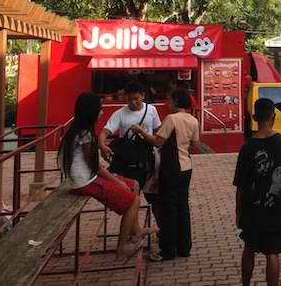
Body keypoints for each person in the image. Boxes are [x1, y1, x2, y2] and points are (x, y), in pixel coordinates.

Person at [58, 92, 156, 261]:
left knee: (135, 184)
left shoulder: (77, 130)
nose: (102, 112)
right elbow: (95, 167)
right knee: (134, 200)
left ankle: (136, 230)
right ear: (91, 112)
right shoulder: (85, 134)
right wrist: (118, 182)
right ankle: (122, 248)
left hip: (84, 178)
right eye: (100, 109)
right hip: (85, 182)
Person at [233, 98, 281, 286]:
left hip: (251, 210)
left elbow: (240, 185)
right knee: (273, 254)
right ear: (273, 116)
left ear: (255, 117)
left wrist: (238, 212)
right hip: (278, 211)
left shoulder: (246, 147)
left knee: (249, 249)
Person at [131, 88, 200, 262]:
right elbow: (194, 144)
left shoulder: (171, 119)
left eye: (169, 99)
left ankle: (167, 250)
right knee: (182, 206)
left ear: (176, 101)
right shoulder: (193, 120)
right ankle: (184, 247)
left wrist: (140, 131)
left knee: (168, 208)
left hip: (170, 167)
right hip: (186, 166)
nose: (166, 103)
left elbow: (157, 141)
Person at [98, 81, 162, 188]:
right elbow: (105, 132)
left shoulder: (151, 110)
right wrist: (102, 145)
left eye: (136, 98)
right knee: (132, 187)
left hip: (148, 154)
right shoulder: (120, 113)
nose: (133, 102)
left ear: (143, 95)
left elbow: (158, 130)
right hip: (129, 157)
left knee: (151, 188)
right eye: (129, 99)